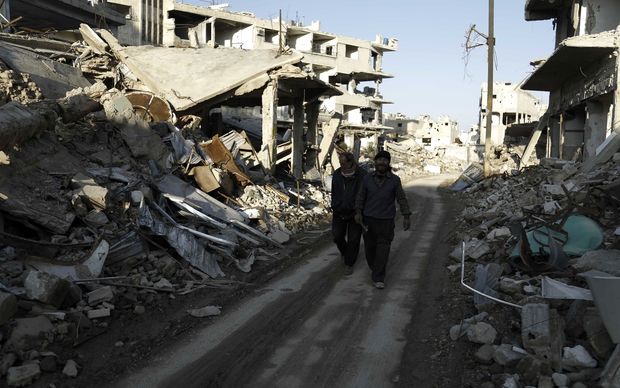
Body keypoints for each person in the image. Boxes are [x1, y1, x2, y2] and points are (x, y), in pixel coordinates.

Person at [355, 150, 411, 289]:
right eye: (379, 159)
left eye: (385, 160)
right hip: (369, 220)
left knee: (383, 249)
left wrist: (406, 215)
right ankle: (375, 268)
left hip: (386, 221)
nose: (382, 162)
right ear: (375, 162)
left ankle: (379, 277)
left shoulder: (394, 180)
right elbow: (360, 196)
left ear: (388, 163)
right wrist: (358, 212)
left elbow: (401, 198)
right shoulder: (367, 178)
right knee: (370, 249)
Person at [331, 152, 366, 275]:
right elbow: (334, 192)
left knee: (354, 239)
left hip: (355, 212)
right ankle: (345, 252)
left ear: (351, 162)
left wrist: (360, 211)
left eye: (344, 163)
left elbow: (364, 195)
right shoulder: (337, 174)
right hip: (339, 211)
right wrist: (335, 205)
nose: (341, 165)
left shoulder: (362, 175)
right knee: (337, 236)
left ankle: (349, 263)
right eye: (340, 163)